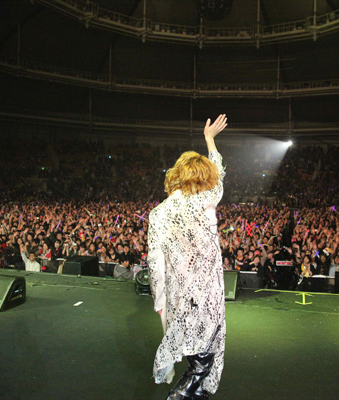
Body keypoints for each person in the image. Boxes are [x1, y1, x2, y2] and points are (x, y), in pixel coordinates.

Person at [147, 114, 228, 399]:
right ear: (205, 177)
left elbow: (154, 263)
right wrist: (210, 141)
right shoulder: (207, 200)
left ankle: (195, 393)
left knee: (197, 351)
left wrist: (159, 299)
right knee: (204, 354)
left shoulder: (159, 213)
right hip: (208, 294)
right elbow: (219, 172)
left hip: (179, 294)